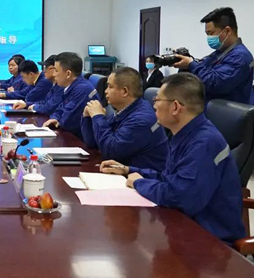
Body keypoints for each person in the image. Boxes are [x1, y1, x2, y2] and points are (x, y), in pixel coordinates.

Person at [100, 73, 245, 245]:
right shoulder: (185, 134)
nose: (153, 105)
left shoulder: (203, 143)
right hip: (185, 228)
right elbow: (170, 179)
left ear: (175, 107)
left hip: (210, 241)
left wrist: (139, 182)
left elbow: (180, 197)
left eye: (157, 100)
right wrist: (129, 170)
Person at [81, 67, 168, 171]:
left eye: (110, 87)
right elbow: (93, 143)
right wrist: (87, 117)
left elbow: (110, 151)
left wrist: (98, 117)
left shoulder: (141, 119)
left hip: (143, 178)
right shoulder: (125, 109)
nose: (105, 91)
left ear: (125, 91)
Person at [172, 7, 253, 104]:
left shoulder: (240, 56)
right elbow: (202, 74)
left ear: (227, 31)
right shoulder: (219, 53)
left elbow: (216, 83)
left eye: (211, 33)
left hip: (224, 112)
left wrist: (191, 64)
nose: (209, 38)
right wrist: (186, 65)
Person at [43, 52, 98, 137]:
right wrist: (55, 118)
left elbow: (67, 122)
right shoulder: (70, 87)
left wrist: (59, 120)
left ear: (68, 74)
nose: (54, 74)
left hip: (80, 139)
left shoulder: (82, 90)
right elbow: (59, 110)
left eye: (56, 71)